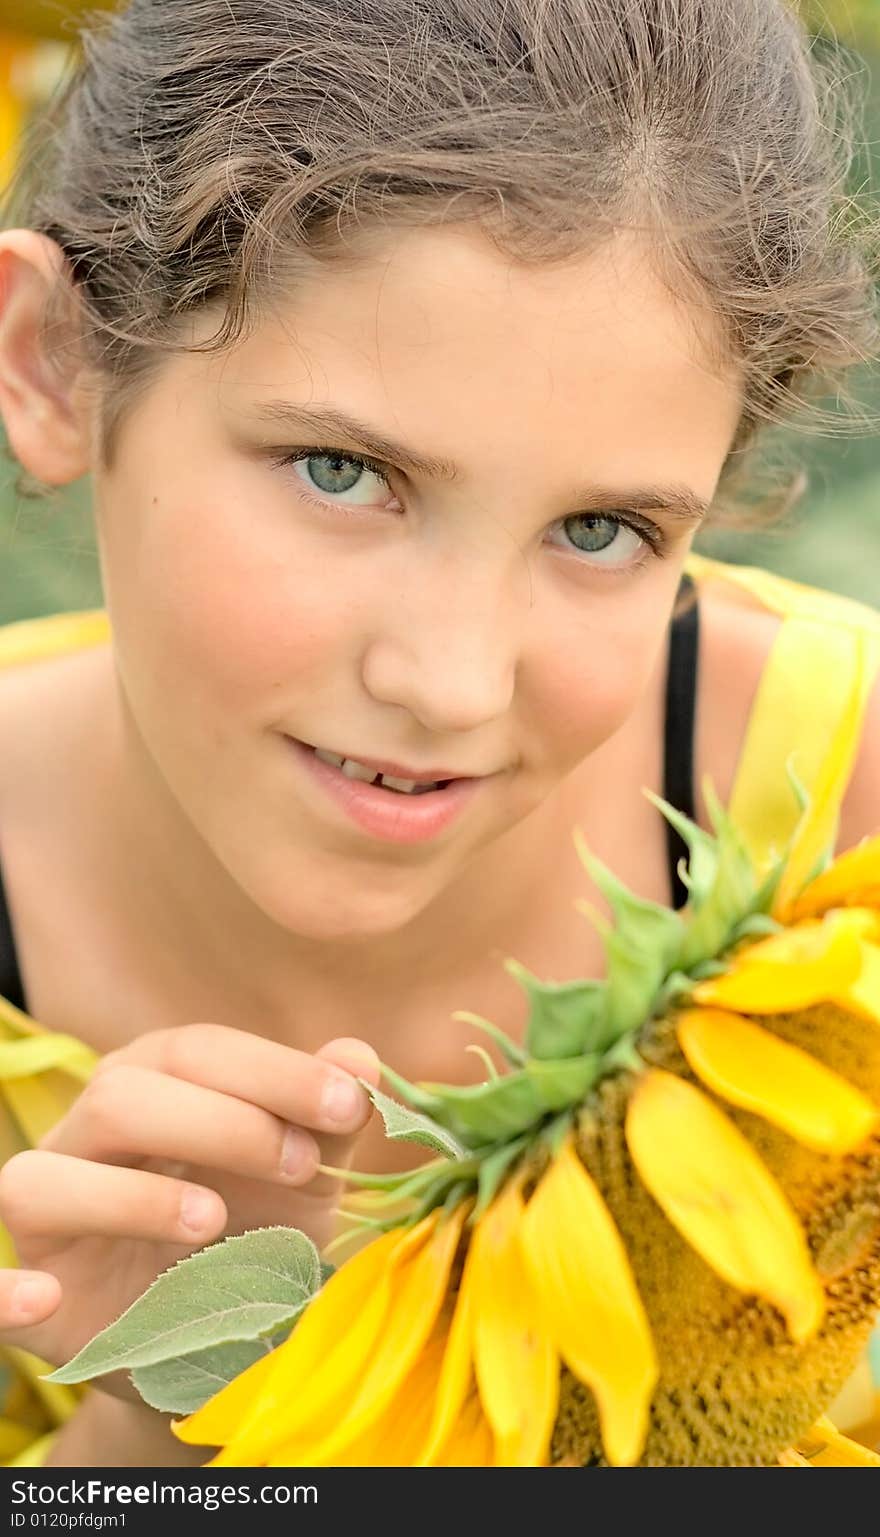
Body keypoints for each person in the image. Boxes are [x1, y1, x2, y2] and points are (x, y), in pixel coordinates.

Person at [0, 0, 879, 1468]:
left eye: (601, 528)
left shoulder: (846, 830)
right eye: (343, 472)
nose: (455, 684)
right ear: (54, 364)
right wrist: (182, 1419)